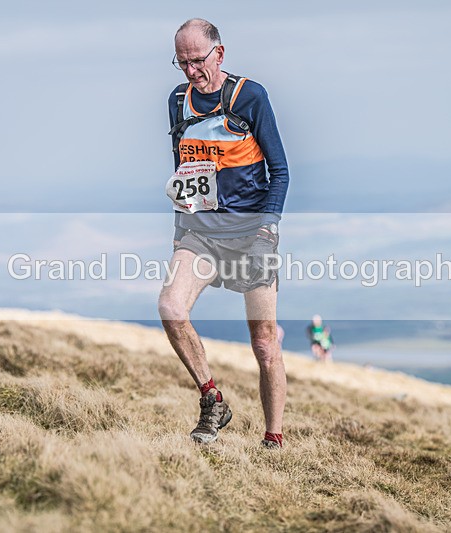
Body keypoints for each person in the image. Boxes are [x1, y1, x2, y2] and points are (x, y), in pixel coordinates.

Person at [158, 19, 290, 448]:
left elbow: (280, 172)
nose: (191, 71)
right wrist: (179, 232)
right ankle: (212, 399)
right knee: (170, 307)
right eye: (182, 63)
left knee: (264, 344)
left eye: (198, 60)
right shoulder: (177, 101)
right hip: (200, 233)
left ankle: (273, 439)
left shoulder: (250, 96)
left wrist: (267, 231)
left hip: (252, 234)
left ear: (219, 53)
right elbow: (182, 171)